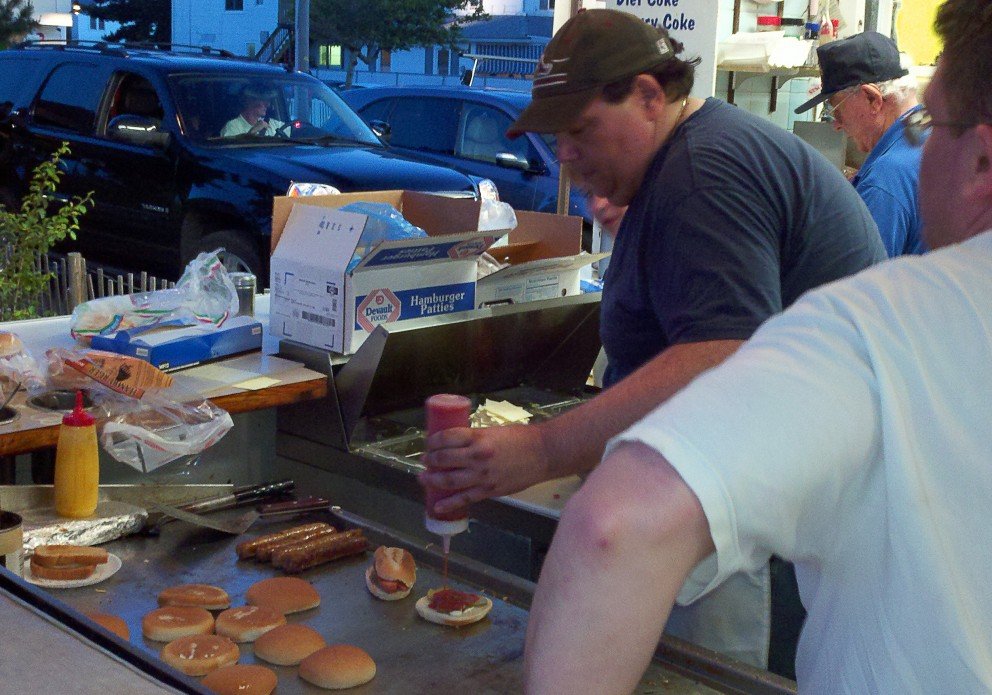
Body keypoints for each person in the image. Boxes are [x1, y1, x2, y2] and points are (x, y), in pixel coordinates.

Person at [523, 0, 992, 690]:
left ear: (981, 159)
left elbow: (615, 525)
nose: (565, 153)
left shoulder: (884, 319)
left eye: (926, 124)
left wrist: (536, 450)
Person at [422, 8, 885, 673]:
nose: (567, 156)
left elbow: (719, 358)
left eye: (581, 131)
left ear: (647, 96)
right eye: (559, 137)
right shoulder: (682, 166)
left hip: (777, 531)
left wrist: (544, 446)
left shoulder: (705, 169)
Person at [796, 32, 928, 257]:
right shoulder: (934, 134)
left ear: (872, 99)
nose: (836, 124)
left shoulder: (885, 180)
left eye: (835, 109)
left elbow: (859, 282)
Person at [221, 84, 285, 137]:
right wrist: (251, 133)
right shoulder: (233, 126)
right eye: (263, 100)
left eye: (268, 100)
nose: (268, 104)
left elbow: (292, 131)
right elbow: (231, 151)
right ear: (248, 101)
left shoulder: (273, 124)